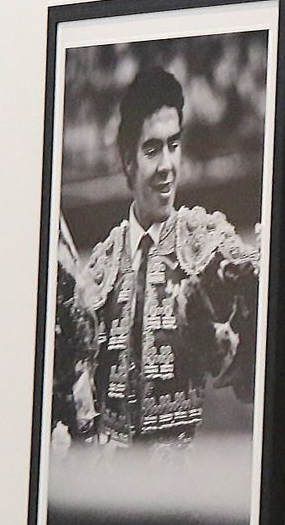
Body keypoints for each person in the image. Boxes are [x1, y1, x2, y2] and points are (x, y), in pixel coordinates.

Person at [77, 66, 262, 447]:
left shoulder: (207, 246)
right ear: (128, 161)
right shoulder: (100, 267)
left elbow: (259, 374)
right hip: (109, 491)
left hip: (180, 489)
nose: (167, 165)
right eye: (152, 149)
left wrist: (225, 348)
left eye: (173, 145)